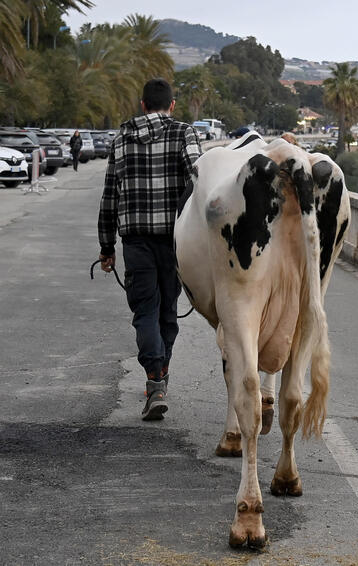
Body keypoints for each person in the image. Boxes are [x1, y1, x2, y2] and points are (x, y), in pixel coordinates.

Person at [97, 78, 202, 421]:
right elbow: (199, 181)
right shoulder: (184, 133)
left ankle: (155, 379)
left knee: (145, 311)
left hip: (136, 242)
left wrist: (106, 246)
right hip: (174, 242)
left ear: (142, 105)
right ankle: (160, 379)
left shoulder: (121, 139)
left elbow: (110, 195)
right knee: (168, 311)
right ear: (171, 105)